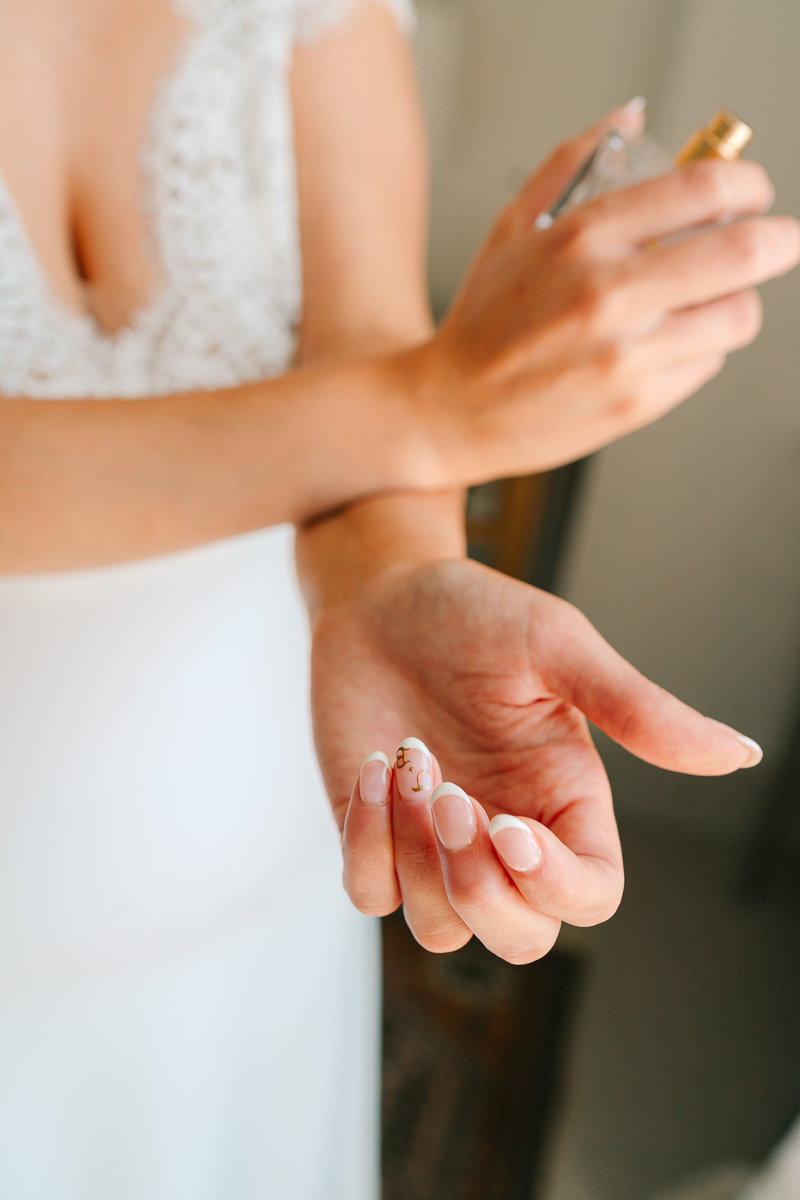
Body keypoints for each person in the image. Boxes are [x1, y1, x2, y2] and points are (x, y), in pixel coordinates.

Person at [0, 0, 797, 1197]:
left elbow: (359, 340)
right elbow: (397, 396)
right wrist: (435, 403)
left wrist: (397, 577)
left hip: (266, 792)